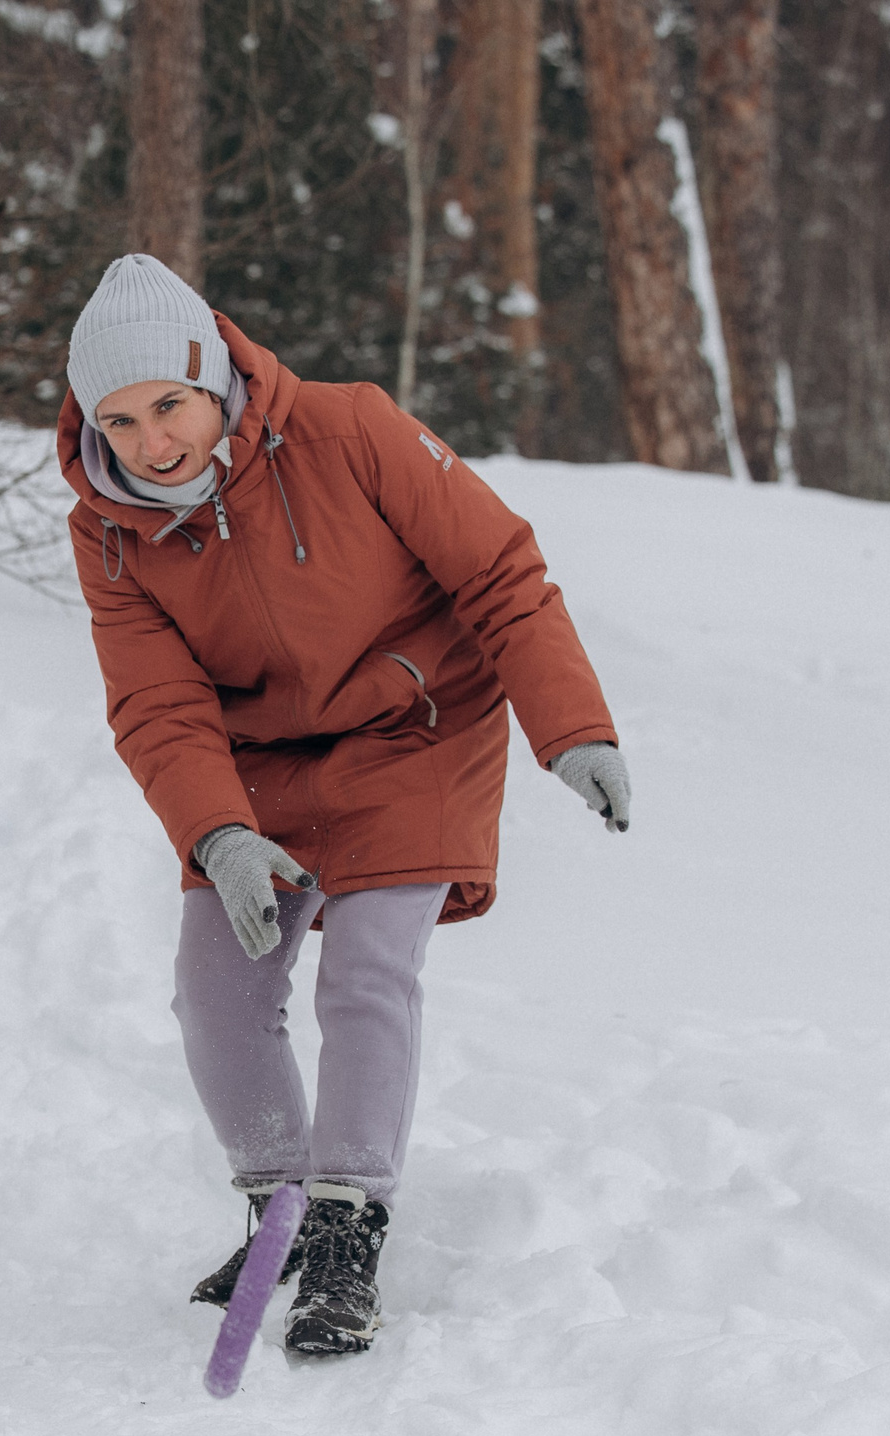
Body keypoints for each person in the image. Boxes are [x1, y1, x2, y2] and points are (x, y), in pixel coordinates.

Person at [57, 254, 631, 1359]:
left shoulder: (349, 430)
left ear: (215, 377)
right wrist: (217, 834)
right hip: (256, 766)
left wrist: (572, 727)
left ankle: (346, 1220)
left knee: (368, 965)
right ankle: (275, 1202)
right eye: (118, 420)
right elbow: (157, 703)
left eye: (168, 404)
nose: (150, 442)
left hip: (411, 731)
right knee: (214, 991)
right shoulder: (108, 530)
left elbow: (500, 570)